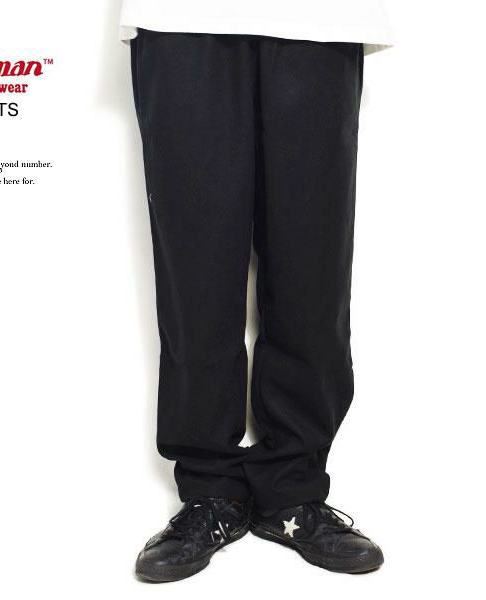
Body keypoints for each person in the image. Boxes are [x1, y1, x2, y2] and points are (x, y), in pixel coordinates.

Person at [120, 0, 393, 582]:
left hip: (324, 18)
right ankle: (210, 492)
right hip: (182, 19)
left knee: (313, 262)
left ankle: (292, 490)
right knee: (194, 268)